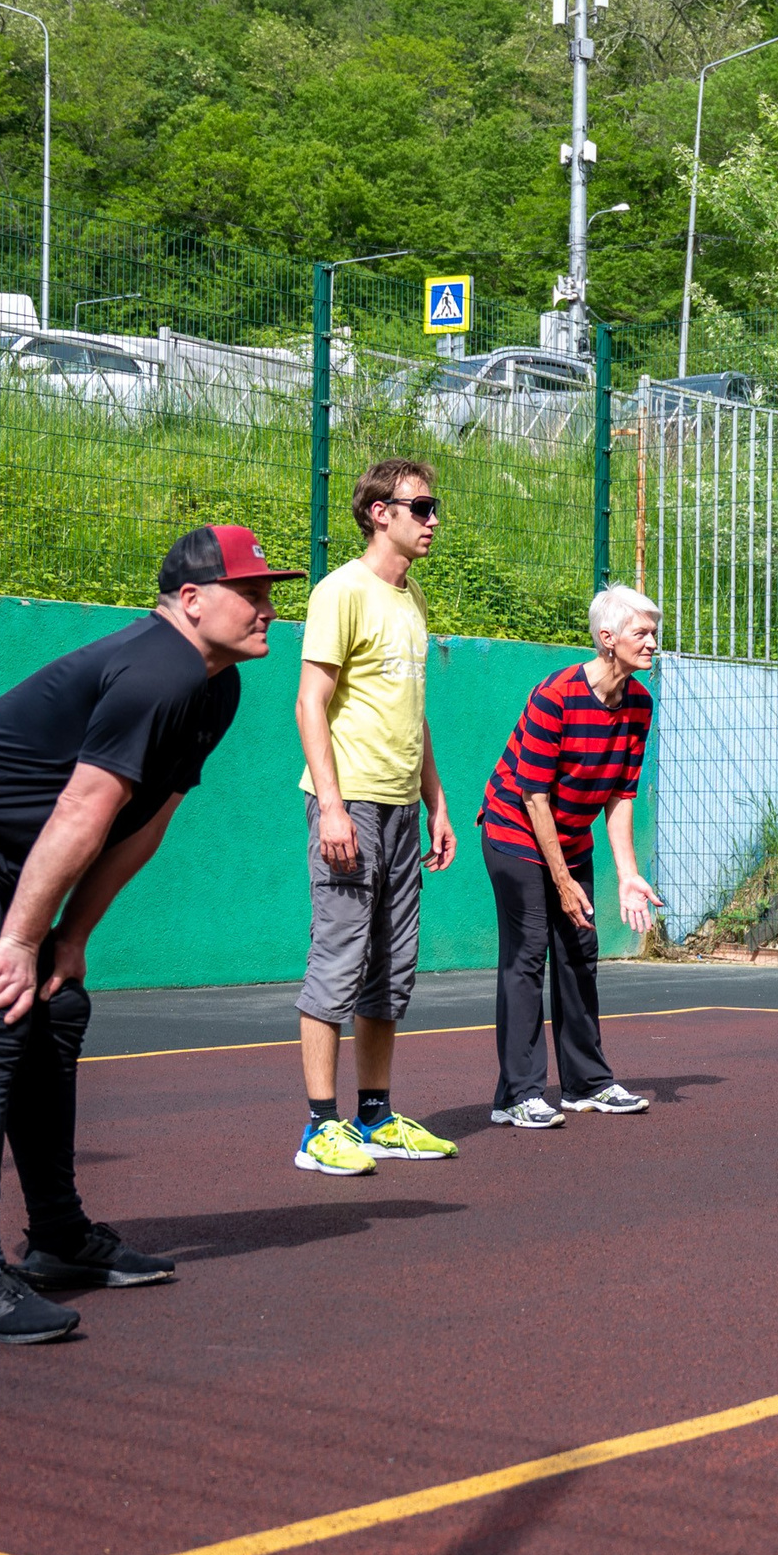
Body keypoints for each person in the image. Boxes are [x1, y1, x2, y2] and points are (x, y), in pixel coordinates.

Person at [0, 525, 297, 1343]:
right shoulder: (158, 667)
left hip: (2, 856)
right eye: (251, 592)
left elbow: (144, 821)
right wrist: (18, 940)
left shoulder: (214, 685)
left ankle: (57, 1238)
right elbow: (83, 807)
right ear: (190, 600)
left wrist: (69, 934)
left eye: (270, 591)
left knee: (55, 1008)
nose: (270, 607)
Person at [290, 459, 460, 1176]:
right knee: (338, 958)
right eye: (419, 507)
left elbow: (413, 716)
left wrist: (437, 803)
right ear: (377, 512)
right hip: (350, 802)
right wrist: (331, 806)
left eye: (433, 507)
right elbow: (310, 702)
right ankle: (318, 1128)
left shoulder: (410, 598)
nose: (431, 520)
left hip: (399, 807)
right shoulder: (341, 591)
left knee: (391, 971)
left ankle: (375, 1115)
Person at [477, 583, 666, 1127]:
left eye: (653, 632)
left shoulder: (638, 704)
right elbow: (533, 796)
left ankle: (587, 1083)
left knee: (580, 951)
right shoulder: (555, 694)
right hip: (516, 830)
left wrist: (627, 874)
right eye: (641, 632)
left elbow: (620, 795)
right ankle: (518, 1095)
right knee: (528, 952)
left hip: (571, 836)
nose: (652, 642)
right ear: (607, 640)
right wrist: (562, 882)